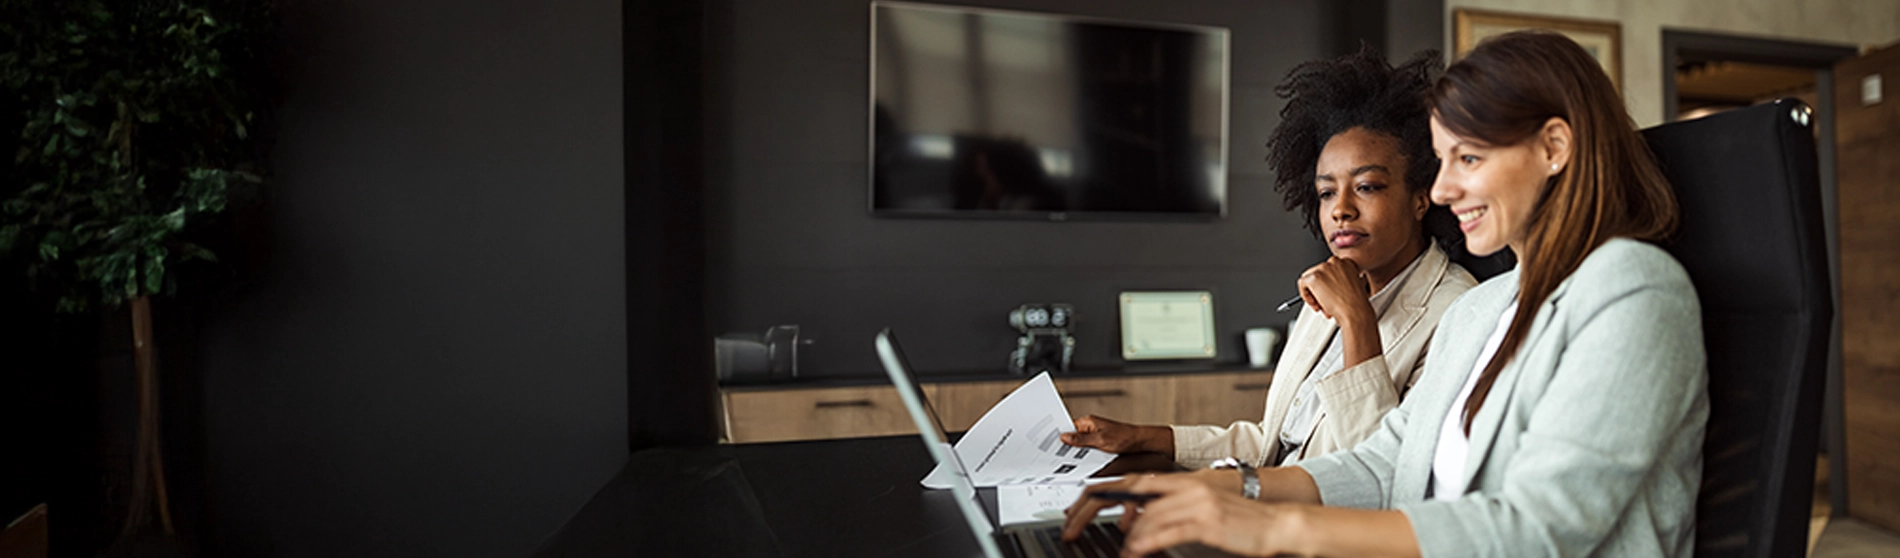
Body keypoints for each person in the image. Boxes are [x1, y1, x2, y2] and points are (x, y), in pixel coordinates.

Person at [1063, 30, 1708, 557]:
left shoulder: (1633, 289)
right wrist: (1226, 489)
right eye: (1441, 160)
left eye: (1468, 160)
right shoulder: (1486, 309)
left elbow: (1538, 530)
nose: (1446, 191)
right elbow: (1384, 462)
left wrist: (1270, 528)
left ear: (1555, 147)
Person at [1060, 45, 1476, 469]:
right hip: (1270, 506)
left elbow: (1383, 473)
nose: (1340, 209)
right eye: (1327, 192)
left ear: (1422, 198)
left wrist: (1357, 323)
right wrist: (1139, 436)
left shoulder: (1461, 312)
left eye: (1367, 186)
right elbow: (1271, 443)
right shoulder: (1328, 292)